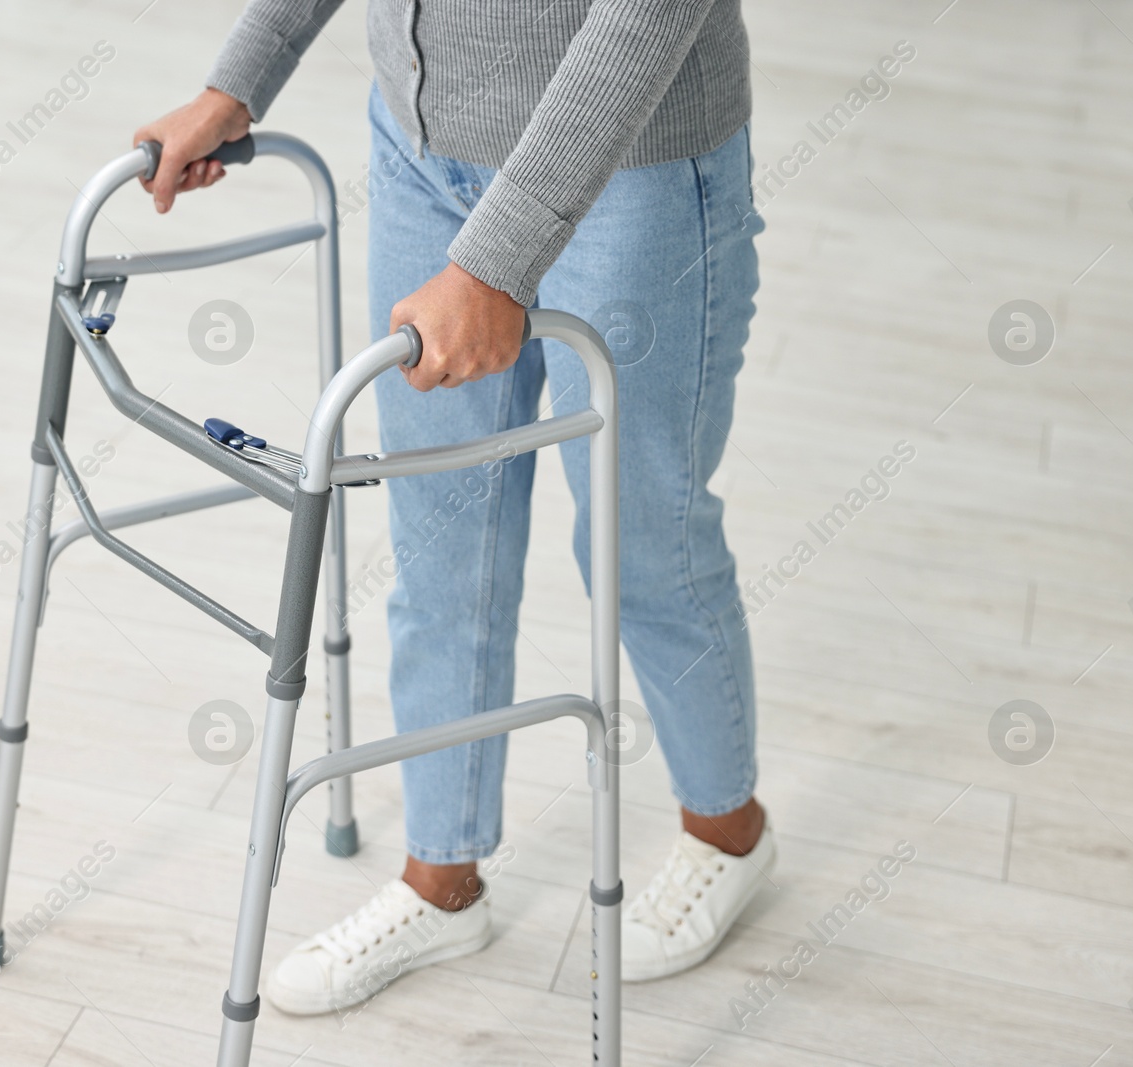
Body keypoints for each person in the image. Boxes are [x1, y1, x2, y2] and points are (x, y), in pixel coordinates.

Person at [134, 0, 773, 1015]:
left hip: (636, 170)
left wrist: (494, 259)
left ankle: (727, 829)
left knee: (641, 537)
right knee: (439, 536)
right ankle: (442, 878)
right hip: (425, 150)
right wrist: (242, 76)